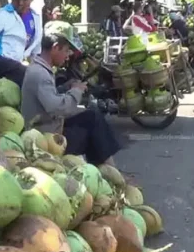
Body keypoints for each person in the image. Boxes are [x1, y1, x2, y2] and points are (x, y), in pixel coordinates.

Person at [21, 20, 121, 166]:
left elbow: (48, 98)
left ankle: (110, 172)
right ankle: (112, 174)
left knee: (92, 117)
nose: (68, 56)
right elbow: (57, 108)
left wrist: (66, 88)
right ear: (56, 48)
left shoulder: (40, 69)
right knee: (94, 131)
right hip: (45, 138)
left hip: (51, 125)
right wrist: (76, 91)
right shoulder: (39, 74)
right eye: (67, 50)